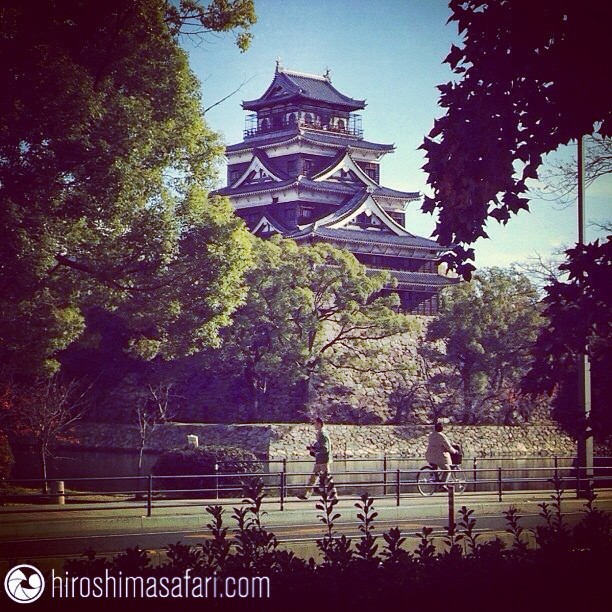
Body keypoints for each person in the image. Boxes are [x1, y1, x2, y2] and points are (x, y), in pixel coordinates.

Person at [297, 417, 338, 500]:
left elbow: (325, 448)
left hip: (323, 460)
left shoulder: (322, 434)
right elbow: (326, 446)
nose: (314, 426)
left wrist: (314, 450)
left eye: (315, 424)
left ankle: (334, 496)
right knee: (314, 477)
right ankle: (306, 495)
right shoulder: (322, 433)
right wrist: (314, 447)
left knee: (327, 478)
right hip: (320, 459)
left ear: (319, 424)